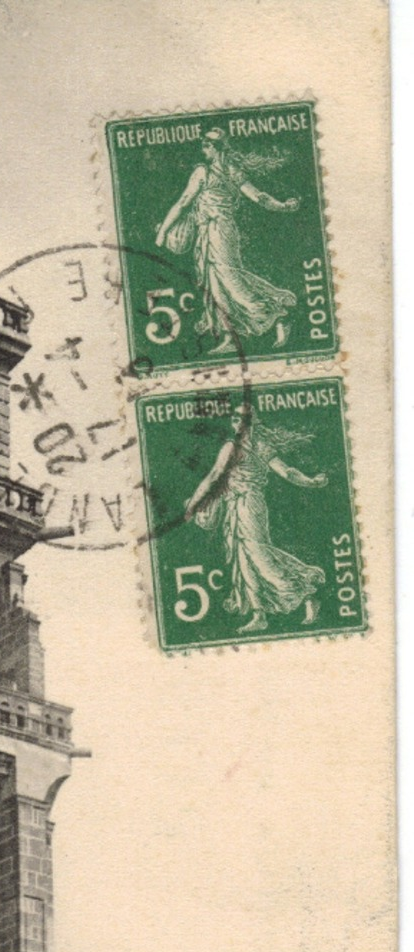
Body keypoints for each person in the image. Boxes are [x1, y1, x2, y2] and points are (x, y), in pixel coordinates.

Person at [155, 129, 299, 354]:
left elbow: (183, 202)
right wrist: (282, 206)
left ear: (214, 148)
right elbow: (259, 197)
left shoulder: (203, 172)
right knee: (217, 281)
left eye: (206, 145)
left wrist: (163, 231)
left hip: (217, 231)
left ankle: (275, 316)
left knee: (229, 279)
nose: (203, 149)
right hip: (216, 231)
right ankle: (232, 335)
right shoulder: (233, 171)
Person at [184, 409, 328, 633]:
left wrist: (311, 482)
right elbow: (214, 476)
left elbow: (287, 472)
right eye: (233, 418)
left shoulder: (258, 447)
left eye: (240, 418)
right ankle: (259, 615)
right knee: (243, 559)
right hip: (233, 504)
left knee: (259, 555)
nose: (235, 422)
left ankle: (306, 592)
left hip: (250, 504)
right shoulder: (231, 447)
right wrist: (194, 504)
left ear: (251, 423)